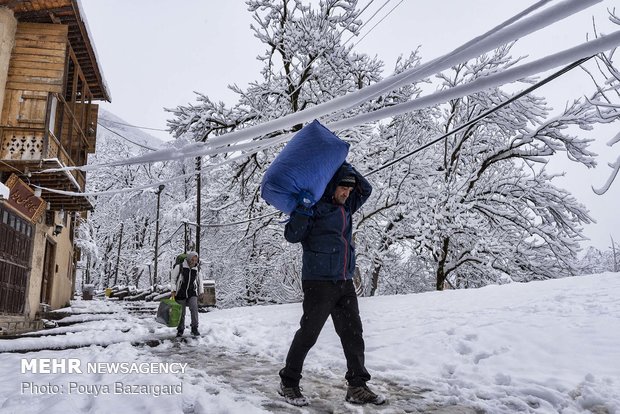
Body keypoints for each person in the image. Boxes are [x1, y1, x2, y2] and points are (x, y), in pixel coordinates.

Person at [278, 162, 386, 407]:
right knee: (309, 334)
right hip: (319, 282)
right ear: (331, 186)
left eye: (349, 189)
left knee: (353, 334)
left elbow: (366, 189)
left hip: (344, 281)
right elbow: (292, 236)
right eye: (342, 188)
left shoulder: (346, 207)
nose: (347, 193)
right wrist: (303, 210)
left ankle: (357, 386)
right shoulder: (314, 206)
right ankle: (289, 382)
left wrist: (341, 163)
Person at [171, 251, 203, 337]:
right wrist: (173, 290)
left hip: (192, 292)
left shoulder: (197, 268)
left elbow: (200, 281)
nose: (194, 262)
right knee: (181, 312)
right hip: (181, 292)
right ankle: (180, 329)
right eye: (192, 260)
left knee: (194, 309)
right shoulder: (180, 267)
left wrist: (201, 292)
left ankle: (194, 328)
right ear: (188, 259)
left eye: (195, 260)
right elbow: (173, 279)